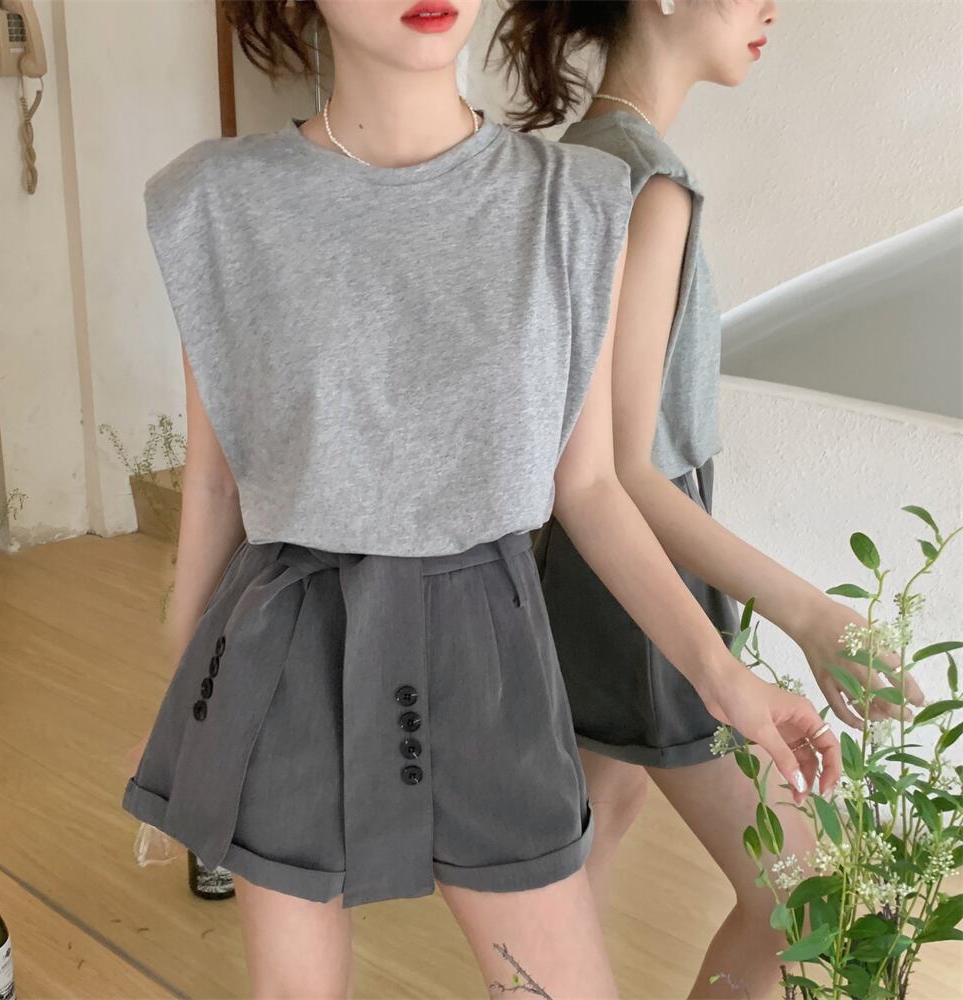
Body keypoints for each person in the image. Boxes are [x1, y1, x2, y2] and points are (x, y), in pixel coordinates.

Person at [123, 1, 841, 996]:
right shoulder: (219, 202)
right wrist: (187, 720)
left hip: (492, 656)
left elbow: (592, 487)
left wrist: (726, 678)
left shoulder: (574, 200)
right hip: (283, 653)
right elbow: (215, 482)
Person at [489, 1, 926, 996]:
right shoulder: (648, 183)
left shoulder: (582, 159)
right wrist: (811, 613)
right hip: (633, 579)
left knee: (583, 850)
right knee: (809, 891)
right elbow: (627, 471)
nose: (772, 8)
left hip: (580, 569)